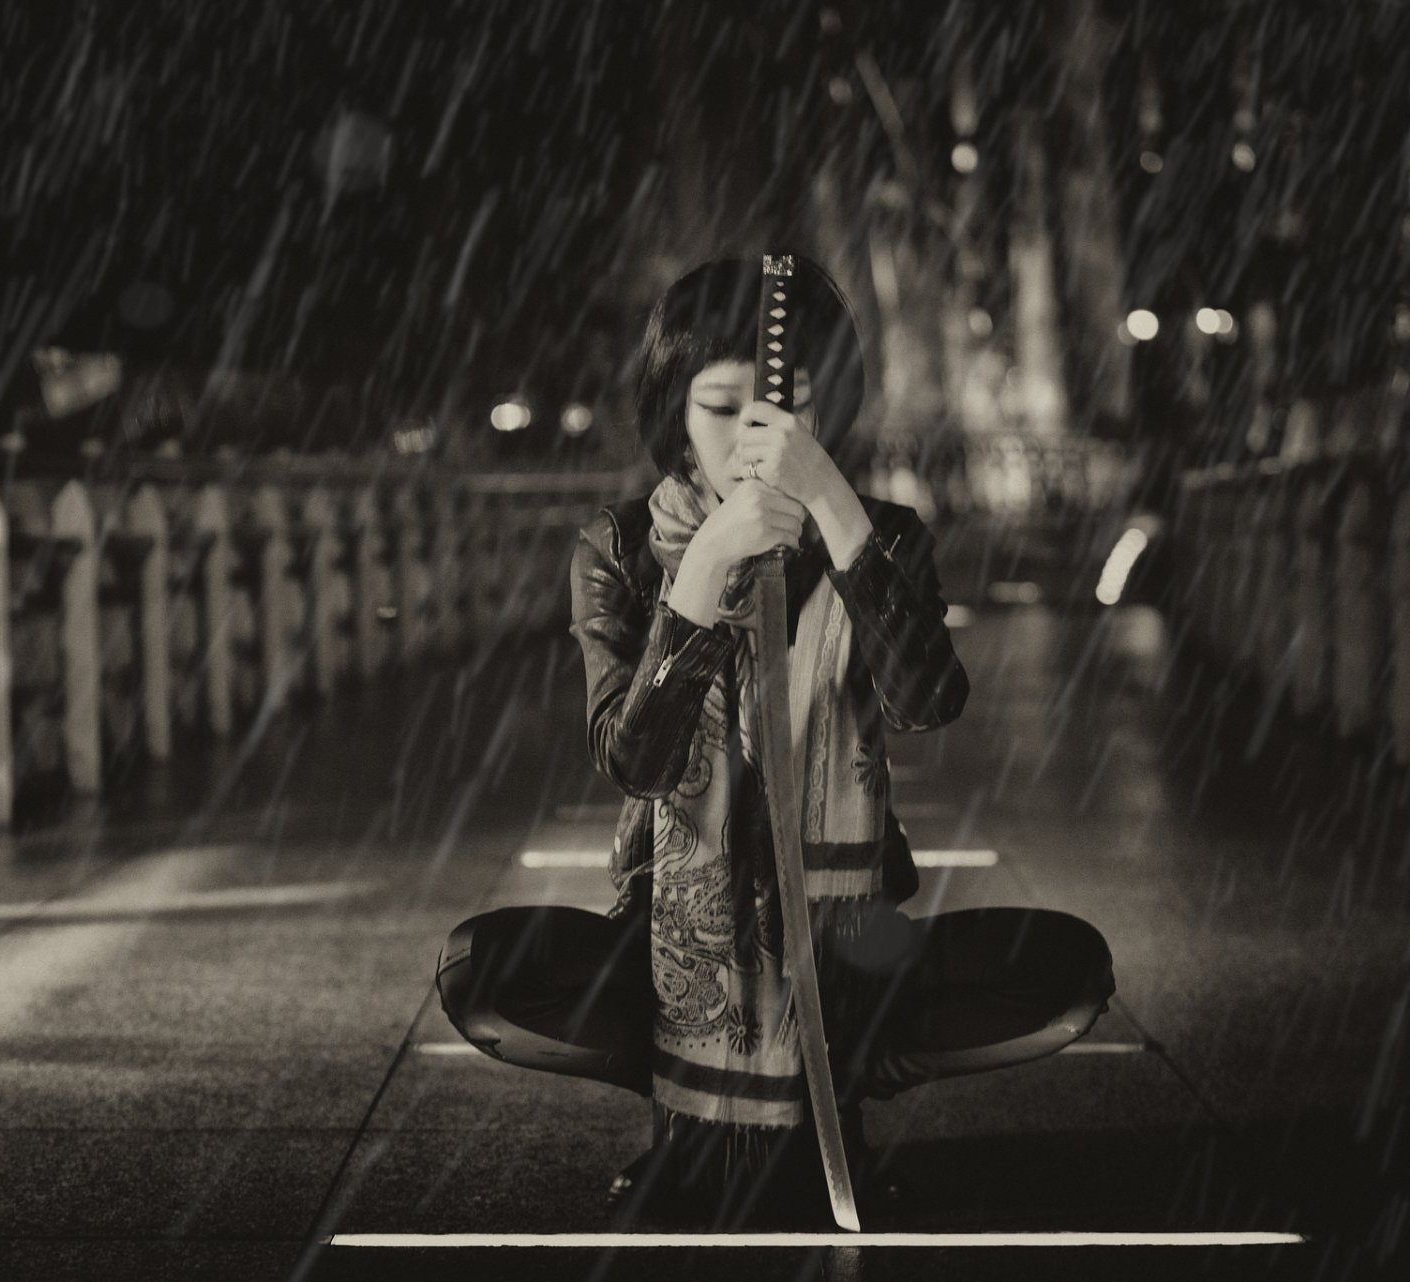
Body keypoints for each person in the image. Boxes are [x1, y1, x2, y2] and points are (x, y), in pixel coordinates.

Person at [436, 255, 1115, 1229]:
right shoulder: (622, 546)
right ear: (673, 408)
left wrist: (836, 513)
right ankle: (690, 1107)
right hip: (671, 915)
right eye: (720, 406)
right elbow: (635, 759)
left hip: (851, 925)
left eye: (782, 411)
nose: (753, 437)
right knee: (487, 973)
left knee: (1062, 970)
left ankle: (842, 1077)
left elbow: (926, 699)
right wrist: (701, 575)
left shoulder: (881, 535)